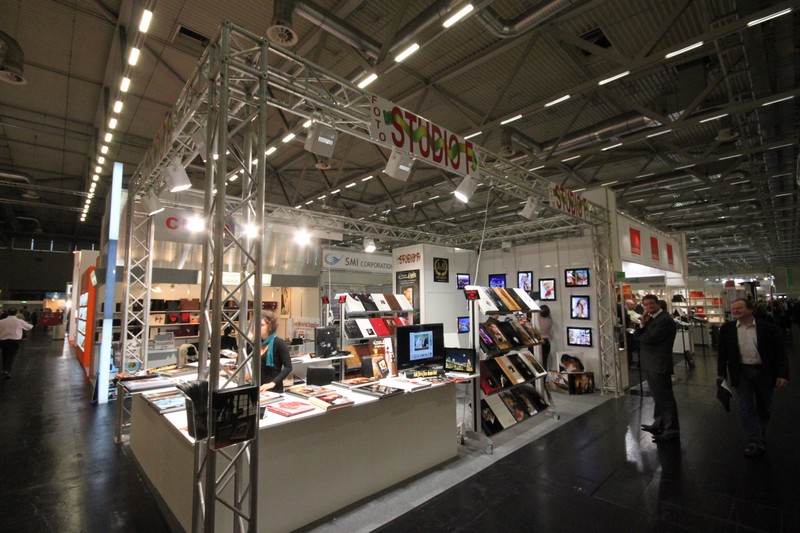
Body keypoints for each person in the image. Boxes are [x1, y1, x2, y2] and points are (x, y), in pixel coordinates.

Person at [717, 298, 789, 458]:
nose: (736, 311)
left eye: (739, 308)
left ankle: (758, 431)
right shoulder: (727, 329)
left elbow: (779, 352)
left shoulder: (767, 328)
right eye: (734, 308)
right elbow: (722, 353)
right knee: (746, 407)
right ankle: (755, 441)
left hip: (764, 372)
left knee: (764, 407)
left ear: (750, 310)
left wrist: (783, 374)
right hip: (741, 372)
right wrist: (721, 373)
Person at [634, 294, 679, 443]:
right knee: (657, 396)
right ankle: (659, 422)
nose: (648, 307)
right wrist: (642, 326)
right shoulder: (652, 319)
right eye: (645, 305)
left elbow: (649, 338)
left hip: (659, 364)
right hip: (651, 363)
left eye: (651, 304)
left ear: (658, 304)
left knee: (665, 398)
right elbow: (639, 335)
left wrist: (642, 332)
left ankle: (671, 429)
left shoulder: (664, 320)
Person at [259, 310, 292, 393]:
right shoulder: (256, 344)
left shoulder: (279, 343)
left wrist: (273, 383)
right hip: (258, 387)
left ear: (270, 327)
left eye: (261, 325)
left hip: (273, 388)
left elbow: (288, 367)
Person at [0, 308, 34, 378]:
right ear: (16, 313)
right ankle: (7, 370)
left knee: (4, 354)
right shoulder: (19, 321)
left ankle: (4, 368)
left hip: (3, 341)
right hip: (14, 341)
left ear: (8, 313)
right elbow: (29, 327)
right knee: (11, 355)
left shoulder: (2, 321)